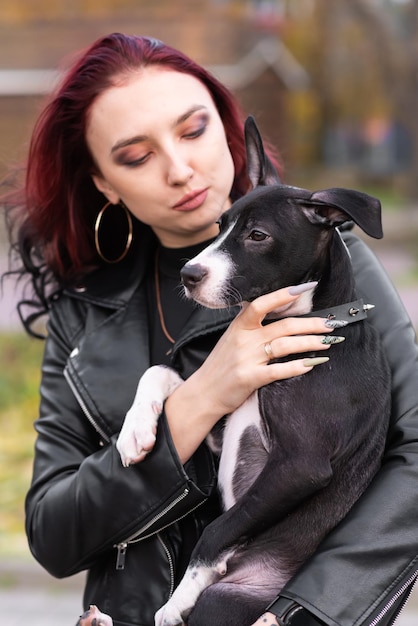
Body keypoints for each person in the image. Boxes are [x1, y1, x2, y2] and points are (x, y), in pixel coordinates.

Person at [3, 32, 418, 626]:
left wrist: (306, 612)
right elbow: (52, 532)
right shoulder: (83, 313)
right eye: (136, 157)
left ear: (224, 128)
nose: (180, 169)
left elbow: (414, 456)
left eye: (193, 130)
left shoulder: (325, 263)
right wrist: (195, 403)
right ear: (103, 183)